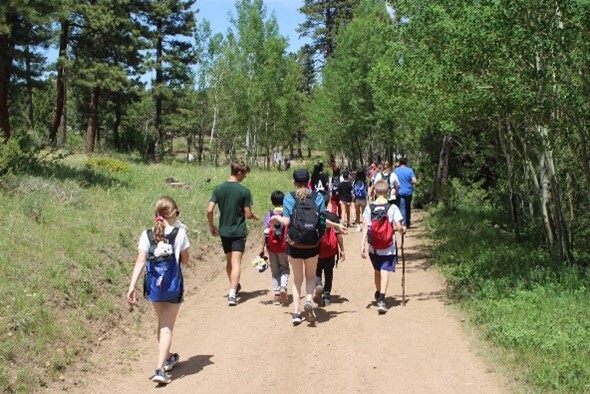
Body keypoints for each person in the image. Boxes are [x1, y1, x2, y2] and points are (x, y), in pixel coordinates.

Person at [270, 168, 346, 326]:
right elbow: (322, 221)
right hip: (313, 244)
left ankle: (297, 313)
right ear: (309, 181)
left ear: (294, 182)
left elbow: (286, 221)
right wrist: (337, 225)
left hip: (295, 243)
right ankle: (309, 300)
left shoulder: (289, 198)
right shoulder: (317, 196)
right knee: (311, 276)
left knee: (297, 279)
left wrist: (276, 218)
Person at [127, 196, 190, 385]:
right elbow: (186, 261)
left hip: (154, 286)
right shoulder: (180, 234)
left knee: (161, 324)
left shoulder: (146, 234)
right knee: (166, 328)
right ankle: (160, 369)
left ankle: (168, 358)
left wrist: (132, 287)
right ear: (173, 214)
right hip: (173, 286)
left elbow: (140, 261)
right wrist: (183, 236)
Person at [207, 160, 259, 306]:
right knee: (236, 263)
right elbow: (247, 214)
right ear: (239, 173)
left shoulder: (219, 189)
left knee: (229, 261)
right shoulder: (244, 191)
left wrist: (212, 225)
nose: (245, 177)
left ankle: (233, 286)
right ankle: (232, 293)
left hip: (224, 231)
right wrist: (254, 217)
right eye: (244, 174)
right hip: (238, 231)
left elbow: (209, 209)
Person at [360, 180, 405, 314]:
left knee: (377, 269)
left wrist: (362, 244)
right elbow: (398, 227)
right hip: (388, 246)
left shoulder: (369, 208)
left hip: (373, 246)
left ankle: (378, 291)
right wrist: (403, 229)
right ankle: (381, 299)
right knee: (385, 269)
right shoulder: (392, 208)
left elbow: (365, 226)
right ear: (388, 193)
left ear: (374, 191)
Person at [261, 190, 290, 306]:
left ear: (272, 202)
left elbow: (266, 233)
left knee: (275, 270)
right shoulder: (286, 214)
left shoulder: (270, 214)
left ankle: (277, 294)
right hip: (284, 246)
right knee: (285, 268)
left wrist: (262, 248)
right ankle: (283, 286)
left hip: (271, 247)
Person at [316, 192, 345, 306]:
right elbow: (338, 235)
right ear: (328, 202)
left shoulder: (314, 216)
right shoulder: (333, 216)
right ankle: (327, 296)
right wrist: (342, 249)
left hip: (317, 250)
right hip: (331, 250)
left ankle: (318, 285)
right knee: (329, 273)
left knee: (317, 271)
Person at [394, 157, 417, 228]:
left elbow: (393, 180)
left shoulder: (396, 171)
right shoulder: (410, 171)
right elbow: (415, 181)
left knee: (402, 207)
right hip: (408, 192)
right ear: (406, 162)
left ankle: (403, 223)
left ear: (399, 162)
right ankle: (408, 221)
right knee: (408, 207)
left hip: (400, 192)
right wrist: (410, 182)